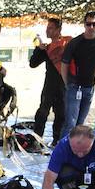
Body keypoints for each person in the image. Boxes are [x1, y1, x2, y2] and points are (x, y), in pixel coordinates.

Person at [60, 11, 95, 136]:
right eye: (88, 24)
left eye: (94, 24)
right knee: (71, 123)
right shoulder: (75, 43)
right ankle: (64, 150)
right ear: (84, 24)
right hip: (75, 86)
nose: (91, 27)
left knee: (81, 123)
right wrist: (67, 83)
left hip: (89, 86)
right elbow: (64, 64)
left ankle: (77, 149)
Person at [29, 17, 71, 145]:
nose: (48, 31)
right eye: (47, 28)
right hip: (49, 85)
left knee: (61, 114)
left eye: (51, 28)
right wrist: (38, 49)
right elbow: (33, 64)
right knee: (42, 112)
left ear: (59, 30)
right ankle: (37, 140)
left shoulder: (67, 44)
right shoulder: (47, 48)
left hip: (64, 85)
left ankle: (57, 141)